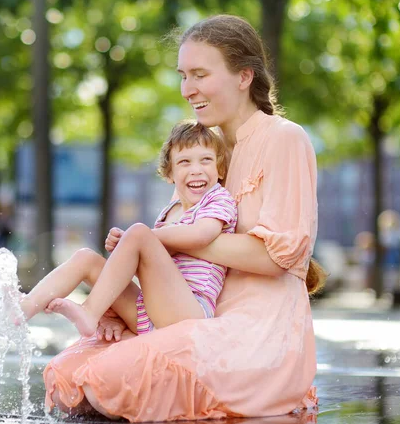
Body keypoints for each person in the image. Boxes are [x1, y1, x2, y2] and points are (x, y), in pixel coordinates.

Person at [42, 15, 326, 422]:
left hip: (258, 332)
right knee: (70, 372)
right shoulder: (202, 148)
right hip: (194, 311)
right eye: (183, 75)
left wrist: (165, 238)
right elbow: (178, 260)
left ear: (244, 76)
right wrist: (126, 309)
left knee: (118, 377)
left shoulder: (285, 139)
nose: (187, 89)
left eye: (200, 74)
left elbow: (274, 258)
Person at [17, 120, 237, 339]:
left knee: (139, 232)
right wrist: (129, 246)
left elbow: (201, 235)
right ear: (170, 174)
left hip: (190, 312)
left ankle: (90, 311)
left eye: (205, 160)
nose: (196, 170)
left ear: (220, 169)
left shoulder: (217, 198)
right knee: (86, 259)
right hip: (151, 311)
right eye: (185, 162)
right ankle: (25, 308)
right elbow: (151, 266)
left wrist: (140, 238)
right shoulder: (171, 211)